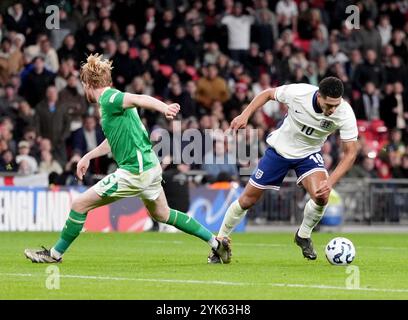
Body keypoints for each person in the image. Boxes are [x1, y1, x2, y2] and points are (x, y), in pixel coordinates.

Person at [24, 54, 231, 264]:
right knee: (163, 214)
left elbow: (138, 98)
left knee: (79, 205)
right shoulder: (111, 106)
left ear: (88, 84)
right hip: (150, 167)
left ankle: (54, 254)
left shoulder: (108, 98)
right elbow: (112, 140)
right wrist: (88, 156)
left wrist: (164, 108)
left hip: (135, 171)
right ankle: (216, 244)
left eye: (83, 84)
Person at [208, 76, 358, 263]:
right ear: (319, 96)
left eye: (336, 105)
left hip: (308, 154)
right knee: (247, 200)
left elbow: (350, 153)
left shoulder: (344, 113)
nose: (332, 110)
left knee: (322, 196)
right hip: (279, 151)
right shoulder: (299, 93)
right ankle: (219, 242)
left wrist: (330, 182)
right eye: (329, 105)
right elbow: (268, 93)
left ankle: (303, 235)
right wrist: (245, 115)